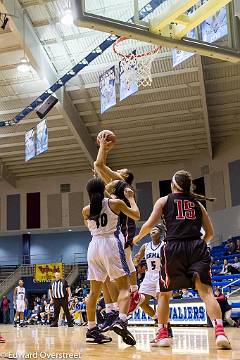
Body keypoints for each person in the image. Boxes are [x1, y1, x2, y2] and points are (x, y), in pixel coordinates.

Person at [133, 170, 231, 350]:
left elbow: (149, 225)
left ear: (173, 184)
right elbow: (210, 234)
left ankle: (163, 334)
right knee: (207, 292)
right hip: (196, 247)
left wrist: (137, 237)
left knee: (164, 294)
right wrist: (196, 245)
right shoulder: (197, 204)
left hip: (173, 248)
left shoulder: (164, 200)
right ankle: (220, 333)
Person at [82, 177, 140, 345]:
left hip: (93, 246)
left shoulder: (85, 210)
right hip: (110, 244)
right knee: (123, 286)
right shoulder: (115, 204)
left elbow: (90, 227)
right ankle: (121, 319)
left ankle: (91, 329)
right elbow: (136, 215)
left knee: (93, 292)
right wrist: (130, 199)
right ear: (103, 189)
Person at [94, 134, 141, 315]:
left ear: (125, 176)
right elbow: (98, 166)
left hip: (126, 228)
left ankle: (134, 293)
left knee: (126, 259)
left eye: (121, 169)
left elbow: (100, 165)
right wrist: (103, 149)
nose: (118, 169)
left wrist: (104, 148)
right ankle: (118, 304)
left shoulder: (122, 184)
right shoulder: (115, 185)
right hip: (116, 228)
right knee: (118, 267)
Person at [134, 224, 173, 338]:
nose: (152, 231)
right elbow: (137, 260)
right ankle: (157, 318)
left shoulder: (165, 245)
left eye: (155, 229)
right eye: (151, 230)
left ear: (160, 233)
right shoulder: (145, 246)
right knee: (140, 301)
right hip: (148, 275)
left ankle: (166, 326)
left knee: (162, 302)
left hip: (161, 275)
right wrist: (135, 261)